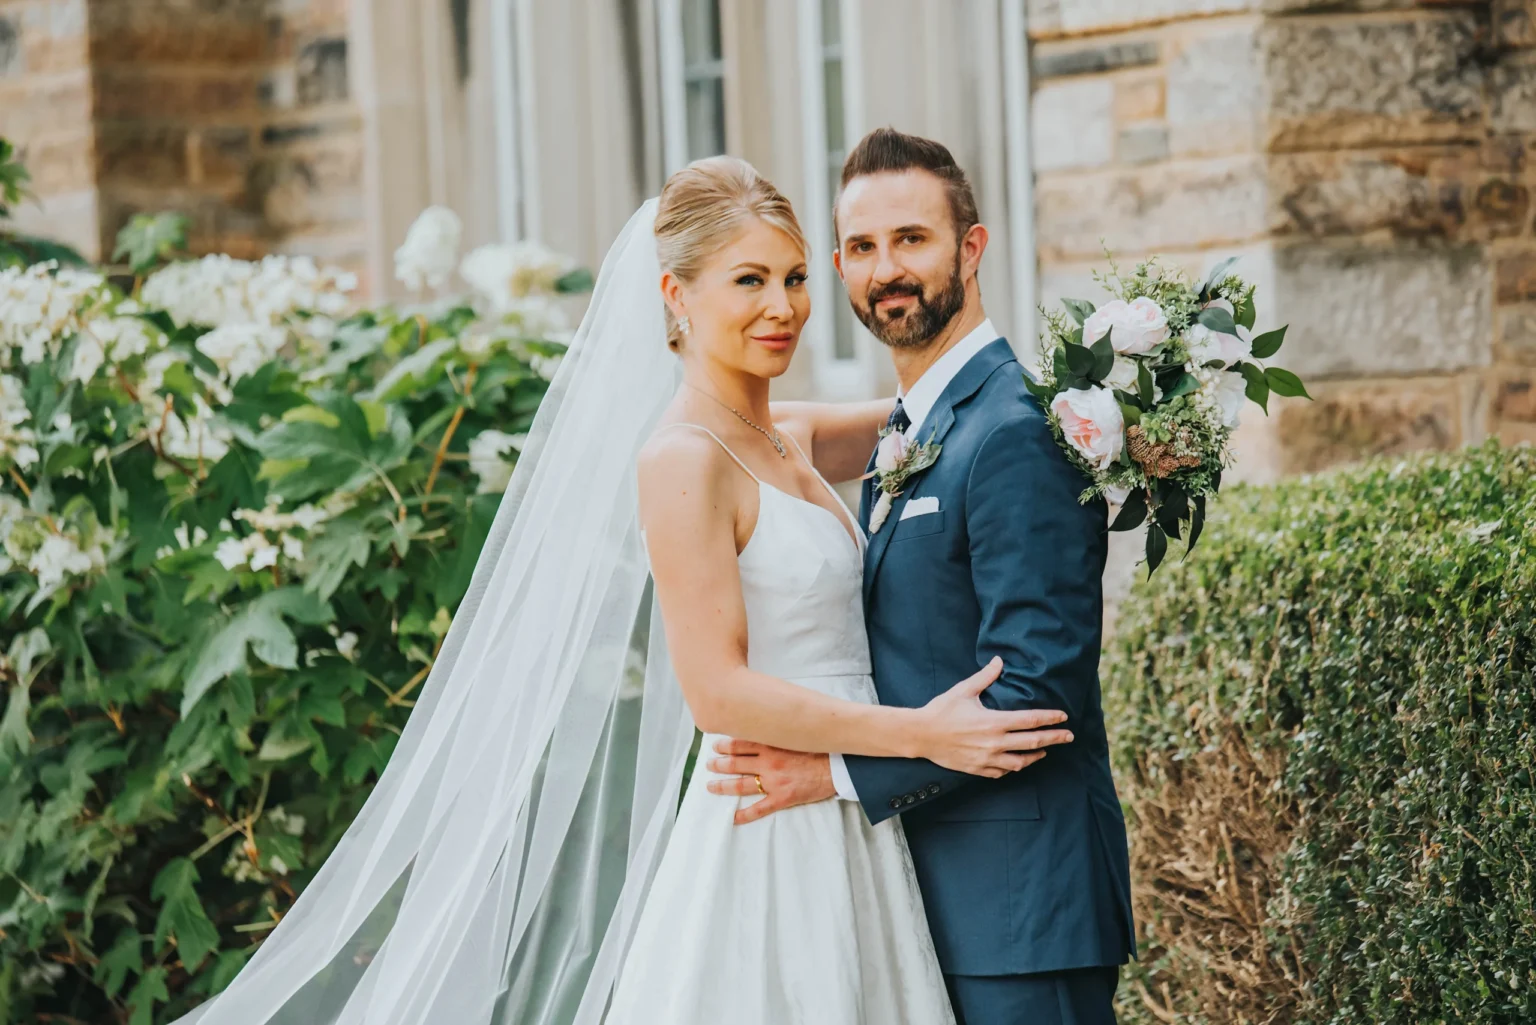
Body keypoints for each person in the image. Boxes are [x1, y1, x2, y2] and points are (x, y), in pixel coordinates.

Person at [172, 153, 1072, 1025]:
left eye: (796, 278)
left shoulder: (788, 433)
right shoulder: (682, 460)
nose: (783, 308)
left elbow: (961, 411)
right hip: (773, 819)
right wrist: (919, 734)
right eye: (747, 281)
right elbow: (716, 689)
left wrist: (1099, 408)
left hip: (854, 818)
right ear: (677, 296)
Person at [705, 128, 1137, 1024]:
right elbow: (746, 430)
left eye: (912, 239)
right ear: (838, 268)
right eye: (862, 248)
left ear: (970, 249)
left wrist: (835, 776)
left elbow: (1036, 689)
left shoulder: (1014, 430)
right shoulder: (920, 420)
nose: (886, 269)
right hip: (927, 894)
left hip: (1023, 909)